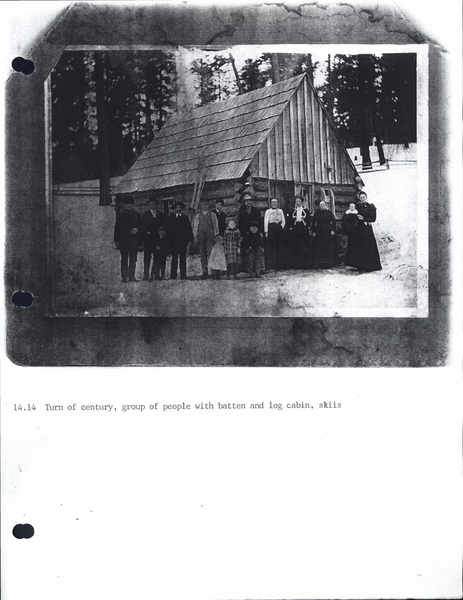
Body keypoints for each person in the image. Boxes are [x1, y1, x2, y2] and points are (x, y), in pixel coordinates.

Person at [114, 194, 142, 282]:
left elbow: (141, 226)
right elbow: (117, 228)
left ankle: (132, 276)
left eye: (131, 203)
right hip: (124, 240)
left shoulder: (137, 214)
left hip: (134, 240)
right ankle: (124, 276)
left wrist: (137, 229)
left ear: (133, 204)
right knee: (124, 259)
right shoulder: (121, 215)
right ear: (124, 205)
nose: (129, 205)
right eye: (127, 204)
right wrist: (117, 240)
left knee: (133, 259)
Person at [352, 192, 382, 272]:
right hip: (359, 229)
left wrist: (364, 218)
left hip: (367, 229)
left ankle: (370, 266)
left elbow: (373, 218)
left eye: (363, 197)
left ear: (366, 197)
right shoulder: (357, 206)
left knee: (369, 246)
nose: (362, 199)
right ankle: (361, 265)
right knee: (360, 246)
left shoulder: (370, 206)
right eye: (361, 197)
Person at [167, 201, 193, 280]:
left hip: (182, 242)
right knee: (174, 259)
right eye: (177, 208)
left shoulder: (185, 218)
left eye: (179, 208)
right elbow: (168, 230)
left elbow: (189, 229)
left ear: (182, 209)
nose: (178, 209)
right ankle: (173, 275)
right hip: (174, 242)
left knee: (183, 259)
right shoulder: (171, 218)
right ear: (174, 209)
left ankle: (183, 275)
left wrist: (189, 239)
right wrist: (169, 241)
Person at [193, 199, 219, 279]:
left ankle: (214, 272)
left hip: (210, 237)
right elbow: (195, 227)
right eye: (203, 204)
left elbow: (216, 226)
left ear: (208, 205)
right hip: (201, 237)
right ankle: (205, 272)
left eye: (206, 204)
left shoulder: (213, 215)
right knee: (203, 255)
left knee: (212, 254)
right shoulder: (198, 215)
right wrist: (195, 237)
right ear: (201, 205)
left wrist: (216, 236)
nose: (204, 205)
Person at [141, 197, 165, 280]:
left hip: (157, 239)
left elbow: (163, 226)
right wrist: (145, 232)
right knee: (147, 258)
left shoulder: (160, 215)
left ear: (156, 204)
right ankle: (146, 274)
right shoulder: (145, 215)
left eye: (154, 203)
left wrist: (161, 233)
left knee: (157, 257)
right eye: (151, 203)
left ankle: (156, 274)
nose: (152, 205)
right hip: (148, 240)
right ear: (148, 204)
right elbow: (142, 227)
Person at [311, 199, 338, 269]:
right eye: (321, 205)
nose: (322, 206)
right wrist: (313, 231)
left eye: (323, 204)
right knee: (320, 247)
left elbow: (333, 221)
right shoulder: (317, 213)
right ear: (319, 206)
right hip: (319, 231)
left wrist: (333, 230)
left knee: (327, 246)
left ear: (325, 205)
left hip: (327, 231)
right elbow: (313, 222)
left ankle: (328, 263)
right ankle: (320, 263)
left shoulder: (329, 212)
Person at [238, 194, 263, 266]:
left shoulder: (256, 211)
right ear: (245, 203)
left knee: (256, 250)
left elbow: (260, 221)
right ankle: (247, 267)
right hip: (246, 234)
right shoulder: (242, 213)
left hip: (255, 234)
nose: (248, 202)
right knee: (246, 250)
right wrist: (242, 234)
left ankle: (257, 267)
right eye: (247, 201)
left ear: (252, 202)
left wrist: (260, 232)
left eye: (250, 201)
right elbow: (240, 224)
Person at [287, 194, 311, 269]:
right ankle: (296, 264)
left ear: (302, 202)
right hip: (295, 229)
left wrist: (308, 227)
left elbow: (309, 220)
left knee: (303, 246)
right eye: (296, 201)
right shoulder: (292, 210)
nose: (298, 203)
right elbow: (290, 220)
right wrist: (291, 227)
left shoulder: (306, 210)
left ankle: (304, 264)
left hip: (303, 229)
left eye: (299, 201)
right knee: (295, 246)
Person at [264, 197, 286, 271]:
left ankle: (279, 265)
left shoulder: (280, 211)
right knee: (271, 247)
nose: (274, 203)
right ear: (270, 203)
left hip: (278, 229)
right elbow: (266, 221)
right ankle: (271, 265)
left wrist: (281, 227)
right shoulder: (268, 211)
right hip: (271, 228)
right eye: (273, 202)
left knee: (279, 246)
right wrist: (266, 231)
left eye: (275, 202)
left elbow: (283, 220)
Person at [342, 202, 360, 269]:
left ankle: (356, 261)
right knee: (350, 246)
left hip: (356, 232)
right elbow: (344, 222)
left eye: (353, 207)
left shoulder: (357, 213)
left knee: (356, 247)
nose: (352, 208)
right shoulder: (347, 213)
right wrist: (347, 229)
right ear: (349, 207)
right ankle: (349, 261)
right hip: (350, 232)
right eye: (351, 207)